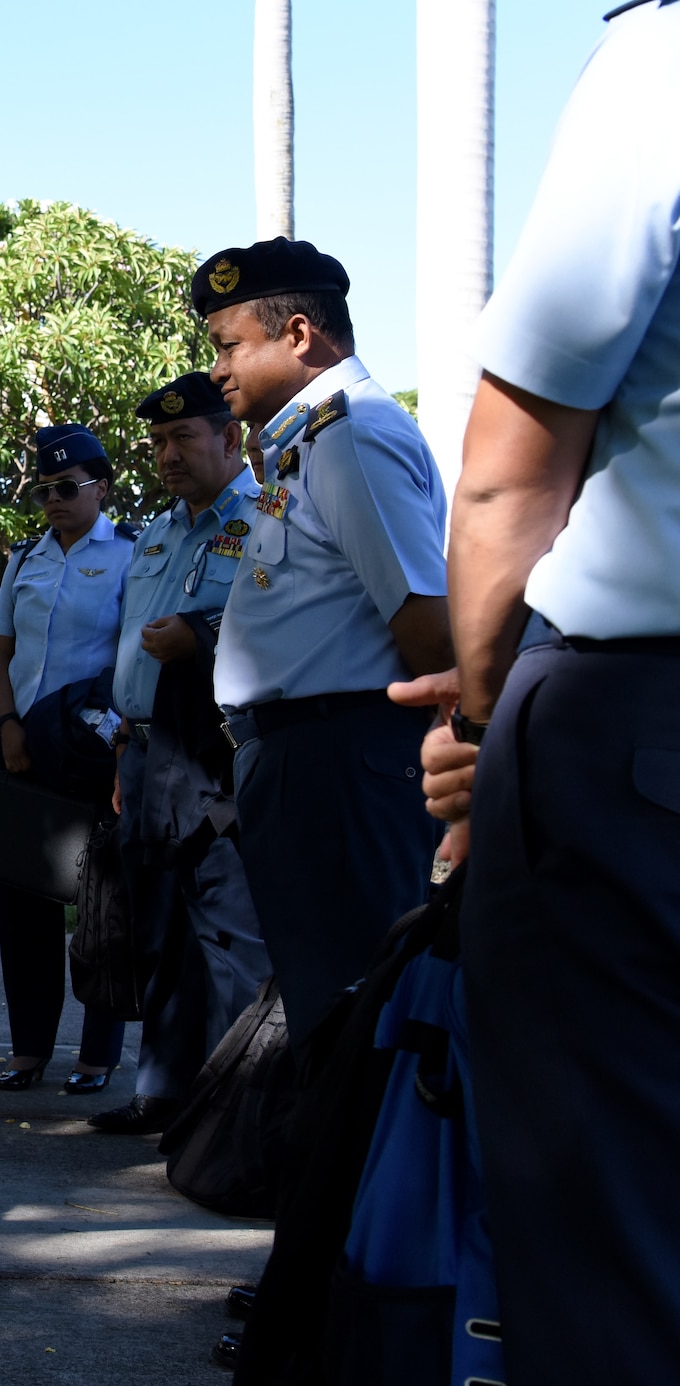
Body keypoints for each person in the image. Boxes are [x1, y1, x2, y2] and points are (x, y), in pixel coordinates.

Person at [396, 0, 680, 1386]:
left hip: (639, 748)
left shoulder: (664, 60)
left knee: (615, 1252)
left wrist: (485, 725)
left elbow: (512, 471)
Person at [195, 237, 451, 1053]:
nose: (216, 369)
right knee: (323, 1000)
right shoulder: (306, 441)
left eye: (230, 345)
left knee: (354, 1007)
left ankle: (360, 1182)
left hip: (344, 762)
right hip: (305, 760)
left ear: (299, 334)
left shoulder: (351, 437)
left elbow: (424, 620)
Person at [91, 373, 271, 1135]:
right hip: (145, 750)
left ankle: (241, 1108)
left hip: (220, 750)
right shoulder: (158, 531)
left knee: (229, 931)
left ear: (229, 439)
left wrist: (199, 637)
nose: (166, 453)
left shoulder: (270, 519)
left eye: (182, 437)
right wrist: (124, 752)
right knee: (157, 925)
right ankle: (163, 1091)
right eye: (158, 442)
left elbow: (282, 630)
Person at [0, 424, 132, 1095]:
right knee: (23, 905)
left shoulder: (132, 553)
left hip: (94, 753)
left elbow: (130, 659)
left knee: (103, 907)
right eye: (44, 488)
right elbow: (0, 654)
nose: (54, 499)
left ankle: (98, 1054)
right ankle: (28, 1047)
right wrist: (8, 723)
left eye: (67, 487)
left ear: (100, 487)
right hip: (24, 752)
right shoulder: (25, 559)